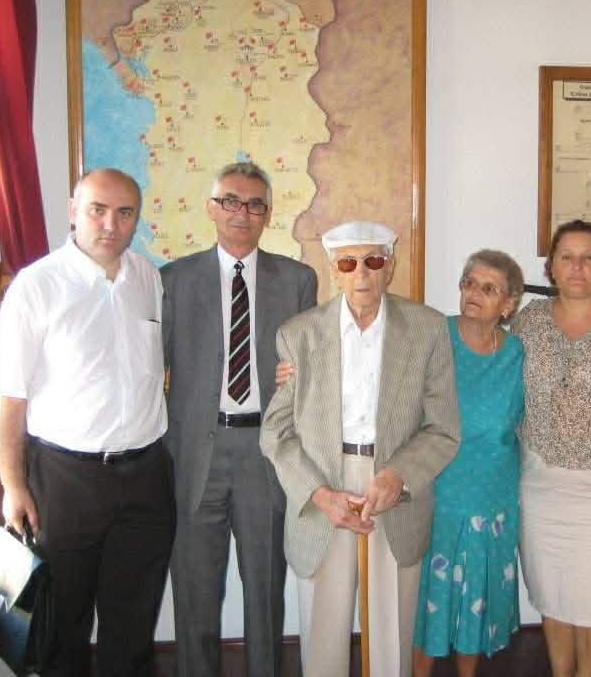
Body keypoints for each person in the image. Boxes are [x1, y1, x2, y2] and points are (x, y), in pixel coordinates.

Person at [0, 168, 175, 676]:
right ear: (73, 211)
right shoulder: (36, 287)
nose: (111, 224)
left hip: (146, 476)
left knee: (133, 621)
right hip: (66, 480)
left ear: (136, 218)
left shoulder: (148, 278)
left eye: (124, 213)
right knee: (62, 623)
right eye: (98, 210)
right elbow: (9, 397)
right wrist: (13, 485)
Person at [261, 220, 460, 677]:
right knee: (323, 632)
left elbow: (443, 427)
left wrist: (398, 475)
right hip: (323, 484)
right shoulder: (298, 333)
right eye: (348, 263)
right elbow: (276, 432)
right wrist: (318, 493)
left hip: (394, 484)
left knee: (391, 631)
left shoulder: (428, 328)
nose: (362, 274)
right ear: (334, 271)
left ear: (390, 267)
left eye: (373, 261)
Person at [161, 161, 317, 677]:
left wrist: (302, 374)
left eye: (254, 204)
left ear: (268, 214)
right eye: (230, 200)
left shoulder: (297, 280)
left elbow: (313, 365)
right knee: (195, 593)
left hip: (264, 453)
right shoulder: (173, 280)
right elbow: (150, 369)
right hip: (195, 456)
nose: (241, 213)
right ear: (211, 208)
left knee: (265, 590)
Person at [510, 219, 591, 677]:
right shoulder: (528, 321)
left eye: (589, 258)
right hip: (540, 481)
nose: (577, 267)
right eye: (566, 257)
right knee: (553, 596)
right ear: (551, 265)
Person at [411, 250, 525, 677]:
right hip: (439, 490)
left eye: (489, 288)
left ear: (508, 305)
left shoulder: (516, 354)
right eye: (469, 283)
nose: (474, 293)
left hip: (494, 494)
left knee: (477, 593)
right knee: (430, 599)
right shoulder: (433, 337)